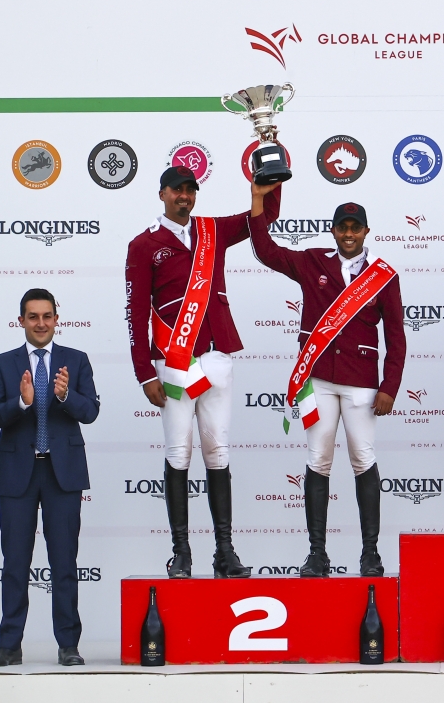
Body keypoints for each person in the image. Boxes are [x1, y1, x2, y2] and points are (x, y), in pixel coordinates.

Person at [125, 165, 275, 578]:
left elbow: (262, 219)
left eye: (190, 190)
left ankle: (224, 551)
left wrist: (263, 191)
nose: (184, 196)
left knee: (218, 453)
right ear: (162, 194)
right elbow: (136, 315)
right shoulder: (143, 245)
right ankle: (182, 553)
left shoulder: (212, 231)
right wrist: (144, 373)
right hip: (173, 363)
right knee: (179, 453)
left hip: (216, 358)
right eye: (177, 190)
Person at [250, 183, 405, 576]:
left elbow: (397, 336)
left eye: (355, 228)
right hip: (318, 378)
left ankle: (370, 553)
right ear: (333, 230)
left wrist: (389, 386)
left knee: (362, 459)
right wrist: (258, 203)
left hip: (361, 381)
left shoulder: (384, 276)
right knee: (318, 459)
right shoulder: (312, 261)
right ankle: (317, 554)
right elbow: (266, 251)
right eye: (342, 228)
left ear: (366, 231)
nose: (349, 234)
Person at [0, 289, 100, 668]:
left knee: (64, 563)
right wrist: (22, 402)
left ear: (56, 319)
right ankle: (9, 646)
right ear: (21, 321)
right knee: (15, 563)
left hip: (62, 474)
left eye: (47, 316)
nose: (41, 323)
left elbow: (90, 411)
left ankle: (68, 645)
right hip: (17, 474)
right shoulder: (3, 364)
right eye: (33, 316)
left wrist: (64, 396)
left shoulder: (76, 361)